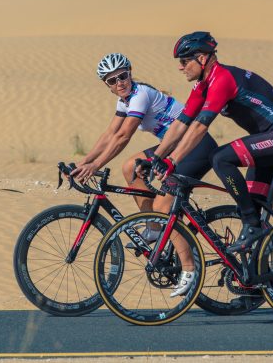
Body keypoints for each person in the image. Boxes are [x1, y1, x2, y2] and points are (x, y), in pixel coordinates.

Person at [146, 31, 273, 266]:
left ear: (201, 59)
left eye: (184, 61)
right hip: (266, 140)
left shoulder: (222, 79)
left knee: (220, 158)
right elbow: (181, 124)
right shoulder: (203, 86)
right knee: (253, 205)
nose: (180, 67)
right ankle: (255, 282)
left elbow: (199, 127)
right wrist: (157, 157)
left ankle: (252, 224)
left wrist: (174, 160)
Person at [70, 53, 218, 296]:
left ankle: (189, 269)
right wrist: (83, 162)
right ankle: (154, 226)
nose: (119, 82)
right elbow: (110, 134)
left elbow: (123, 136)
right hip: (172, 148)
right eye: (112, 80)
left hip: (195, 148)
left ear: (130, 72)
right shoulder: (125, 100)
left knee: (163, 208)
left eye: (122, 76)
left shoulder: (141, 95)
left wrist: (95, 167)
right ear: (107, 85)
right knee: (130, 166)